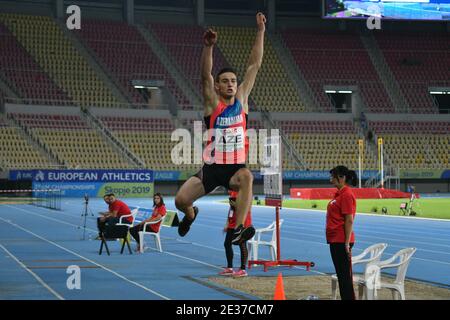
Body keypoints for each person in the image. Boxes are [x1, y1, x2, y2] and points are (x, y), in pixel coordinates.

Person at [175, 12, 266, 245]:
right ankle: (191, 214)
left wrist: (261, 31)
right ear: (218, 86)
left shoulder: (242, 100)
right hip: (213, 168)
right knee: (180, 201)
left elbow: (255, 64)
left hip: (234, 168)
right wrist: (208, 47)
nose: (230, 85)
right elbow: (205, 76)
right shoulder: (212, 104)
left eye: (233, 81)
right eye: (225, 81)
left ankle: (238, 229)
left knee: (247, 176)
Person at [326, 166, 357, 300]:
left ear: (342, 178)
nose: (330, 179)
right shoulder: (338, 194)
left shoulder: (347, 195)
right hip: (335, 240)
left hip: (341, 240)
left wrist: (346, 243)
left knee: (344, 277)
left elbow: (349, 220)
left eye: (333, 176)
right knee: (341, 275)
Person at [219, 190, 252, 277]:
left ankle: (243, 269)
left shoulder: (245, 191)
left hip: (242, 221)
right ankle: (230, 268)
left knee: (242, 244)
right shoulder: (233, 192)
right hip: (232, 222)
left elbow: (247, 207)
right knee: (227, 244)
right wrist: (227, 222)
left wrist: (236, 205)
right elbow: (231, 208)